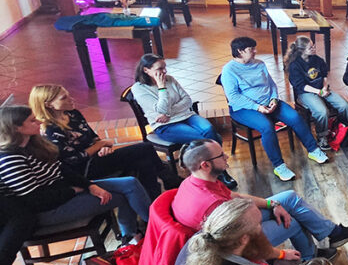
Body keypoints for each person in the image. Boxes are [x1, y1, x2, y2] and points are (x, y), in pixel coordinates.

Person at [171, 139, 348, 261]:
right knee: (294, 221)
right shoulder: (213, 204)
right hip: (231, 245)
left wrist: (273, 204)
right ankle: (309, 258)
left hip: (236, 222)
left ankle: (333, 233)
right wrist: (281, 254)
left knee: (288, 198)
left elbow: (236, 196)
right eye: (221, 156)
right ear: (205, 165)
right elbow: (245, 238)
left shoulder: (197, 181)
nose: (227, 157)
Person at [0, 106, 148, 246]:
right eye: (32, 120)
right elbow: (36, 200)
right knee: (123, 195)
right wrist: (73, 191)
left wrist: (89, 185)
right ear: (16, 128)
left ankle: (148, 229)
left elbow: (62, 169)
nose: (39, 121)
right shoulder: (11, 159)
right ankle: (134, 235)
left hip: (65, 190)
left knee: (130, 183)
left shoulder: (34, 144)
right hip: (48, 209)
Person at [220, 37, 329, 182]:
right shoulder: (229, 70)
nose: (255, 51)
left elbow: (271, 85)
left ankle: (313, 150)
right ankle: (279, 166)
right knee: (266, 127)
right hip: (245, 109)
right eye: (251, 49)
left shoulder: (260, 64)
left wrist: (273, 99)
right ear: (239, 51)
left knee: (295, 117)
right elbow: (233, 97)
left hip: (269, 103)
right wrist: (257, 107)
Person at [31, 84, 166, 200]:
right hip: (84, 169)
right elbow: (73, 160)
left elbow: (93, 137)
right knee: (145, 148)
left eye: (68, 95)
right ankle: (169, 178)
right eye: (63, 98)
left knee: (144, 163)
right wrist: (99, 145)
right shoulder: (50, 130)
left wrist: (102, 147)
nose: (71, 99)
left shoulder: (73, 114)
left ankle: (152, 205)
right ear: (49, 105)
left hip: (98, 157)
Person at [131, 55, 237, 190]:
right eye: (160, 69)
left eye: (165, 68)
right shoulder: (139, 88)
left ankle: (214, 171)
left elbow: (187, 100)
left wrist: (167, 113)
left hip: (186, 116)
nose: (164, 72)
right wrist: (161, 87)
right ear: (146, 70)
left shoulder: (171, 79)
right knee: (205, 139)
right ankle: (220, 172)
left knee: (209, 130)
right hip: (165, 125)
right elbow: (160, 109)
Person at [284, 36, 348, 150]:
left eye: (313, 46)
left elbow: (324, 75)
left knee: (344, 105)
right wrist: (319, 92)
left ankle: (342, 130)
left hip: (322, 89)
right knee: (321, 111)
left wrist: (324, 88)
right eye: (311, 47)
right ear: (302, 50)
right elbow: (301, 86)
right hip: (306, 93)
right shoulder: (295, 65)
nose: (314, 48)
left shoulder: (317, 59)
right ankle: (322, 136)